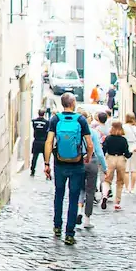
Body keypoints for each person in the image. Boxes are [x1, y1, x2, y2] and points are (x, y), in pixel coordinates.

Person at [43, 92, 94, 245]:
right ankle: (69, 234)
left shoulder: (55, 119)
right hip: (77, 164)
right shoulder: (81, 120)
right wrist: (88, 157)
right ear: (73, 104)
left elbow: (49, 142)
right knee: (73, 197)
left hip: (59, 163)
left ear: (63, 104)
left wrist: (46, 163)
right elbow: (90, 144)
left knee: (59, 195)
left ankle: (57, 226)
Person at [80, 116, 108, 228]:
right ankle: (87, 220)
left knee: (79, 189)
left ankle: (78, 211)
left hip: (78, 161)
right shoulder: (93, 133)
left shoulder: (76, 131)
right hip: (92, 161)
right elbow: (99, 152)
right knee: (90, 191)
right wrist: (105, 168)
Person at [102, 119, 131, 209]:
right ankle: (117, 202)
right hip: (121, 159)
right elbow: (127, 154)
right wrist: (131, 153)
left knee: (107, 180)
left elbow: (103, 150)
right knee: (120, 181)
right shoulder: (123, 140)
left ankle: (104, 195)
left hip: (110, 158)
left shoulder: (108, 138)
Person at [123, 113, 136, 191]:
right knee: (134, 169)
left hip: (127, 146)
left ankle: (127, 188)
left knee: (126, 169)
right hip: (135, 146)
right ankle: (133, 188)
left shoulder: (124, 127)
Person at [30, 109, 51, 178]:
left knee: (34, 157)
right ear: (44, 114)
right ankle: (47, 173)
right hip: (44, 142)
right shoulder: (47, 122)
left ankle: (32, 171)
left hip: (36, 141)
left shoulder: (34, 121)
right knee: (46, 158)